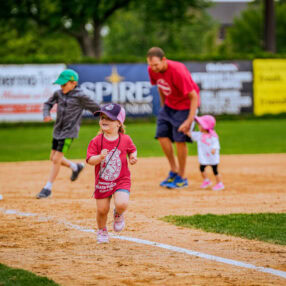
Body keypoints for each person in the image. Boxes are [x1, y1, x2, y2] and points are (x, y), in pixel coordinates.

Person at [36, 69, 100, 199]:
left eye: (64, 84)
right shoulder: (58, 93)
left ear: (74, 83)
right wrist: (46, 114)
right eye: (61, 84)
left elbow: (96, 108)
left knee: (57, 159)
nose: (62, 87)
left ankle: (48, 188)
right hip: (57, 130)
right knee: (52, 157)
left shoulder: (81, 96)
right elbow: (48, 104)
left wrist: (107, 119)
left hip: (69, 132)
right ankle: (75, 167)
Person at [147, 47, 200, 189]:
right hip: (169, 106)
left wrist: (189, 120)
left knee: (179, 139)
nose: (153, 68)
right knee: (162, 136)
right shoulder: (152, 70)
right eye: (151, 65)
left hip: (185, 106)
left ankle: (182, 177)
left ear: (164, 60)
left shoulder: (178, 71)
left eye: (156, 64)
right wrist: (164, 107)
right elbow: (160, 86)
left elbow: (194, 96)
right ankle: (174, 171)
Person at [86, 103, 137, 244]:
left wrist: (133, 156)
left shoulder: (125, 139)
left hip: (121, 179)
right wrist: (99, 158)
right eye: (102, 117)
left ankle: (118, 214)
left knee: (122, 203)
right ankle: (102, 230)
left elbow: (132, 149)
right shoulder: (96, 141)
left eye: (109, 118)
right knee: (102, 210)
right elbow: (90, 160)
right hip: (103, 182)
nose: (104, 120)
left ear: (119, 123)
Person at [190, 115, 225, 191]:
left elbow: (216, 144)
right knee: (201, 168)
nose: (198, 126)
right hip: (204, 157)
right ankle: (206, 180)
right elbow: (190, 134)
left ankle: (220, 183)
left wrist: (214, 148)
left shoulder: (213, 136)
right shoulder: (200, 135)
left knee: (215, 170)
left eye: (200, 124)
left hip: (212, 157)